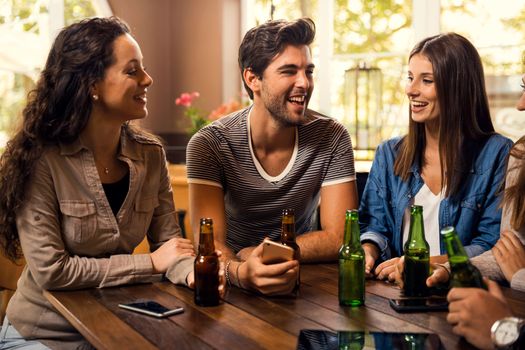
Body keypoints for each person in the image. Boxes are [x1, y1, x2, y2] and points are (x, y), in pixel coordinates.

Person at [0, 17, 218, 349]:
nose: (148, 79)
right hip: (42, 335)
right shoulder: (42, 159)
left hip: (117, 328)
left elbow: (169, 246)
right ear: (92, 85)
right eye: (132, 71)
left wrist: (192, 272)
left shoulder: (150, 155)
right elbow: (51, 271)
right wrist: (150, 263)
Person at [186, 18, 358, 296]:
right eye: (289, 71)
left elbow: (340, 237)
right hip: (232, 277)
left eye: (309, 71)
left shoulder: (332, 136)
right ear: (252, 78)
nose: (304, 83)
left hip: (304, 278)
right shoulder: (210, 143)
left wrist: (264, 252)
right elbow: (209, 242)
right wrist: (242, 271)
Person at [358, 32, 513, 282]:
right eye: (410, 78)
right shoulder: (388, 153)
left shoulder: (498, 153)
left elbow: (492, 245)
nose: (411, 90)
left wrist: (426, 264)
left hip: (463, 293)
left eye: (426, 80)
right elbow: (375, 227)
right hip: (396, 291)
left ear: (458, 88)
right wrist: (368, 250)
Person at [422, 74, 525, 349]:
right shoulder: (521, 156)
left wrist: (502, 328)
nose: (521, 105)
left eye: (427, 80)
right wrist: (445, 269)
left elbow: (514, 265)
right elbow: (506, 252)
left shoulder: (498, 152)